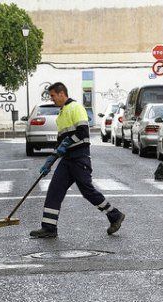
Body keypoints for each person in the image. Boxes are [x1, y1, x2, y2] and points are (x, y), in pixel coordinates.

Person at [30, 82, 126, 238]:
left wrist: (67, 143)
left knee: (88, 192)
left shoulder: (76, 108)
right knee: (54, 190)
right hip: (67, 160)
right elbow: (61, 142)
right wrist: (52, 159)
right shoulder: (61, 114)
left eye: (53, 96)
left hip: (80, 158)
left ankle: (115, 215)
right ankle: (49, 227)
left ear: (62, 94)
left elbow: (82, 132)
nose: (52, 99)